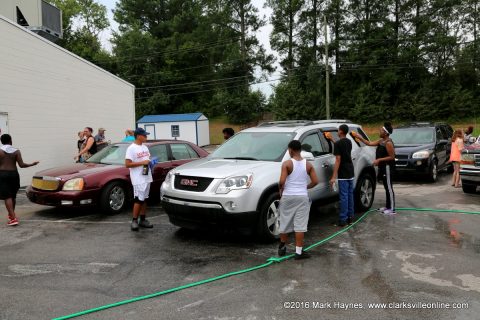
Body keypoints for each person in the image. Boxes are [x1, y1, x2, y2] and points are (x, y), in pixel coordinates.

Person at [278, 140, 318, 260]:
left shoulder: (287, 164)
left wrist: (280, 189)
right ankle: (299, 252)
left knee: (285, 221)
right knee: (300, 225)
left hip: (288, 196)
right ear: (300, 150)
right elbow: (316, 181)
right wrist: (305, 187)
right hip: (302, 197)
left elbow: (282, 181)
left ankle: (282, 246)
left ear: (290, 150)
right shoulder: (309, 165)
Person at [353, 122, 396, 215]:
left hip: (388, 167)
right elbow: (368, 143)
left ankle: (392, 209)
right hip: (383, 167)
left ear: (385, 132)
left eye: (381, 130)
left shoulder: (388, 143)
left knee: (389, 188)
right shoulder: (381, 141)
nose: (379, 131)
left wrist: (379, 160)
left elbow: (392, 157)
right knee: (386, 187)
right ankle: (387, 206)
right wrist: (359, 137)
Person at [0, 134, 39, 226]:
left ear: (1, 141)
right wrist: (32, 164)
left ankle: (13, 218)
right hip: (14, 175)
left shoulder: (0, 151)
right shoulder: (16, 151)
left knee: (7, 196)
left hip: (3, 175)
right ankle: (11, 215)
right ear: (10, 140)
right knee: (12, 196)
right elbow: (21, 165)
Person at [125, 128, 154, 231]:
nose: (146, 137)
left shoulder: (145, 147)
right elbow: (127, 164)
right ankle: (134, 220)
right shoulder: (131, 148)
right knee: (138, 199)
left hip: (147, 176)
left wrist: (151, 162)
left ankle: (143, 220)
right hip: (138, 178)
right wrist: (143, 163)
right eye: (144, 135)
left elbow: (147, 160)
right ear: (138, 136)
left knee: (144, 198)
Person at [329, 124, 355, 227]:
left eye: (338, 130)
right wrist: (332, 139)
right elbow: (342, 150)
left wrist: (333, 176)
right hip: (350, 170)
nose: (337, 131)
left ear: (340, 131)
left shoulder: (338, 144)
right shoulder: (349, 141)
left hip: (343, 172)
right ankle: (350, 217)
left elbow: (338, 159)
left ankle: (342, 220)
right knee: (350, 194)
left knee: (343, 196)